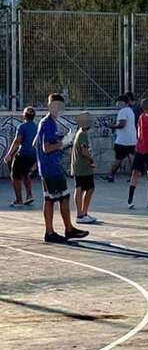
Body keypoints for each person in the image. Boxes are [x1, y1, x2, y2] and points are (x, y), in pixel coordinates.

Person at [34, 93, 89, 244]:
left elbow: (37, 143)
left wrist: (60, 140)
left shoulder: (46, 122)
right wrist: (64, 142)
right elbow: (46, 147)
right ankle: (61, 230)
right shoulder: (48, 123)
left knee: (51, 199)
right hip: (51, 168)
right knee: (61, 198)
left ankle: (55, 231)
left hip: (48, 167)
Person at [5, 107, 37, 206]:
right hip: (33, 155)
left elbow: (17, 141)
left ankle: (19, 200)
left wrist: (9, 154)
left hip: (23, 154)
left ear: (24, 115)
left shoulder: (22, 127)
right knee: (25, 174)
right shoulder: (37, 126)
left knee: (14, 176)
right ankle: (29, 195)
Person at [71, 112, 97, 225]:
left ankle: (83, 213)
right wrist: (92, 160)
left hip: (80, 166)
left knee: (81, 188)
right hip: (83, 167)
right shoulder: (82, 134)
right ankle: (81, 214)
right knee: (86, 189)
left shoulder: (80, 133)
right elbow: (84, 152)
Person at [104, 94, 137, 183]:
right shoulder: (130, 111)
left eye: (118, 102)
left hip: (123, 141)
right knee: (131, 158)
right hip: (132, 139)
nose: (117, 104)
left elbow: (122, 124)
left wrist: (112, 126)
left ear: (123, 102)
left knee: (118, 159)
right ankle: (133, 176)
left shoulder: (122, 111)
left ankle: (110, 175)